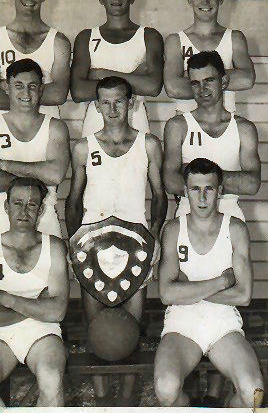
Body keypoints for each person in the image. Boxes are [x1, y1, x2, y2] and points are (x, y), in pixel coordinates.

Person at [66, 76, 167, 406]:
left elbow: (160, 194)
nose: (112, 108)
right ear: (96, 106)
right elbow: (73, 199)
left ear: (132, 103)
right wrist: (72, 243)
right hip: (92, 244)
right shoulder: (84, 147)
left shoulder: (148, 144)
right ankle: (100, 397)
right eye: (105, 102)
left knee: (132, 326)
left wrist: (155, 233)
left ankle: (126, 399)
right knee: (94, 323)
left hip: (136, 243)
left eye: (119, 101)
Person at [154, 158, 264, 408]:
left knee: (255, 393)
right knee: (166, 388)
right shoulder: (173, 230)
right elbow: (166, 295)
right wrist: (222, 281)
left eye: (209, 189)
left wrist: (188, 288)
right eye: (195, 189)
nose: (202, 198)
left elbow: (244, 296)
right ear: (185, 192)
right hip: (182, 322)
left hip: (223, 322)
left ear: (220, 191)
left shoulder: (235, 228)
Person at [0, 177, 70, 407]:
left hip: (43, 332)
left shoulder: (53, 247)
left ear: (41, 209)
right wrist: (36, 307)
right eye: (17, 203)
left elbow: (57, 312)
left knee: (51, 380)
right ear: (6, 207)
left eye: (32, 204)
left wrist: (6, 299)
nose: (24, 211)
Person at [0, 58, 70, 238]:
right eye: (19, 85)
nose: (26, 92)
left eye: (32, 86)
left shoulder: (55, 127)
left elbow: (55, 175)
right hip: (2, 215)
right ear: (7, 88)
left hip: (44, 214)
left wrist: (3, 165)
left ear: (41, 90)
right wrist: (38, 177)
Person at [163, 50, 261, 222]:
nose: (202, 89)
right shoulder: (177, 126)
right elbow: (171, 183)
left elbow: (252, 184)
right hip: (188, 212)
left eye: (209, 80)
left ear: (223, 81)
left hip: (230, 213)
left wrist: (191, 172)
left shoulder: (243, 129)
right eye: (195, 83)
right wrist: (230, 179)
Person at [71, 0, 164, 135]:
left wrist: (101, 74)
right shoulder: (86, 37)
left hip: (136, 121)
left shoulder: (149, 36)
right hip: (96, 123)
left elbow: (153, 86)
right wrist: (136, 77)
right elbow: (78, 92)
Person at [164, 0, 255, 114]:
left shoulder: (234, 38)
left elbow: (247, 79)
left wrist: (191, 77)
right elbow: (173, 88)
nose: (205, 1)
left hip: (225, 123)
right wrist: (220, 78)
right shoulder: (175, 40)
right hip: (186, 123)